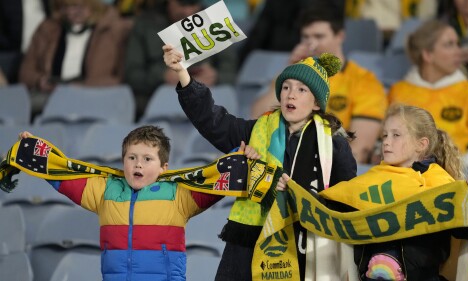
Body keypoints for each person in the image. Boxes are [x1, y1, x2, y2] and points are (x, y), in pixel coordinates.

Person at [163, 43, 358, 280]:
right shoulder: (257, 129)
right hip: (248, 242)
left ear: (317, 103)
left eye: (301, 90)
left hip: (303, 245)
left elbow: (345, 199)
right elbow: (213, 121)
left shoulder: (333, 145)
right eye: (286, 87)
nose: (291, 94)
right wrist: (183, 73)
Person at [18, 125, 262, 280]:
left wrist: (240, 156)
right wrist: (35, 153)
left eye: (147, 158)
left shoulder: (178, 195)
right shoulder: (104, 191)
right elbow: (64, 177)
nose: (138, 164)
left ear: (164, 167)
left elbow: (217, 179)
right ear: (122, 161)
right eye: (132, 157)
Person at [278, 104, 468, 281]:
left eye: (396, 135)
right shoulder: (372, 178)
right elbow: (332, 211)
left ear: (421, 144)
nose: (386, 141)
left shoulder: (437, 180)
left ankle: (390, 264)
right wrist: (295, 193)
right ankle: (384, 265)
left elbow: (464, 229)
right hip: (370, 273)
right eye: (384, 135)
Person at [251, 7, 387, 165]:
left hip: (329, 169)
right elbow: (256, 118)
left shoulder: (364, 82)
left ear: (340, 36)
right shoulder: (292, 77)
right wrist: (290, 71)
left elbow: (359, 149)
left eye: (319, 36)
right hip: (280, 161)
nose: (312, 44)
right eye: (306, 37)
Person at [388, 19, 468, 169]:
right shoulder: (399, 92)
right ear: (427, 55)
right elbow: (385, 142)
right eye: (449, 45)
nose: (459, 51)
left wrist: (447, 167)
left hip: (456, 178)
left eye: (458, 44)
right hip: (404, 177)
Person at [124, 0, 238, 118]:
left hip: (207, 104)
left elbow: (231, 72)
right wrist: (162, 76)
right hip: (158, 105)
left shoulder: (213, 21)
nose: (187, 12)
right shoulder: (145, 24)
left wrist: (215, 77)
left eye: (192, 4)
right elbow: (132, 74)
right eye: (182, 5)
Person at [18, 0, 132, 116]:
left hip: (96, 98)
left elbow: (122, 79)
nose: (71, 12)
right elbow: (26, 72)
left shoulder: (116, 30)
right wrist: (40, 81)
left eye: (78, 7)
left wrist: (82, 87)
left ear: (93, 5)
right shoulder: (47, 28)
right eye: (65, 7)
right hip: (50, 96)